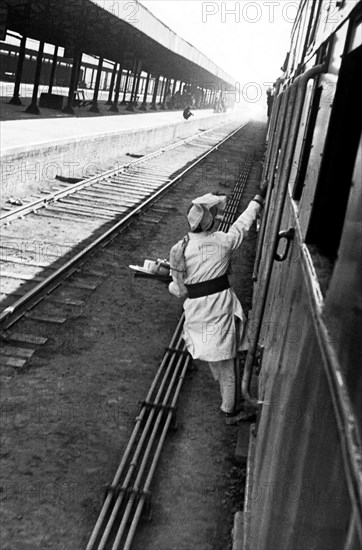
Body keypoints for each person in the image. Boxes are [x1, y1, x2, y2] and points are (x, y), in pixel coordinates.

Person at [168, 184, 267, 424]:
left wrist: (172, 280)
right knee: (227, 362)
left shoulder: (178, 249)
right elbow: (241, 226)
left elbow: (178, 290)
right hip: (219, 310)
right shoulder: (221, 242)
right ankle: (230, 411)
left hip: (196, 313)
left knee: (215, 357)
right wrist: (256, 201)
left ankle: (229, 400)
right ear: (209, 224)